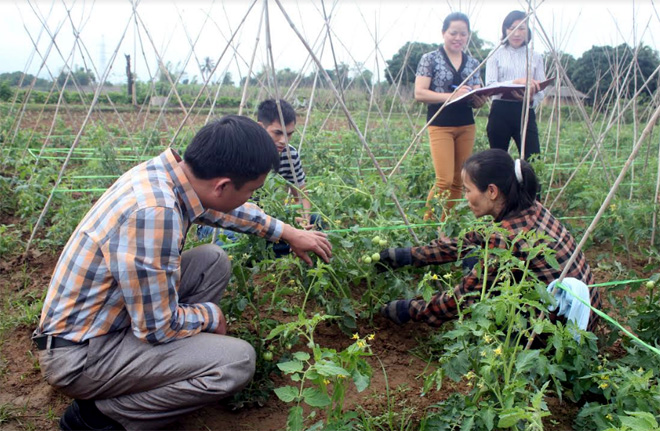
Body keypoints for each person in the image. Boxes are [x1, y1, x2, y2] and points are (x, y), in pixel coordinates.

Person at [32, 115, 332, 431]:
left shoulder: (165, 173)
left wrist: (286, 232)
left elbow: (223, 208)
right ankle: (100, 417)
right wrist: (210, 316)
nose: (250, 198)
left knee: (212, 261)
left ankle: (179, 364)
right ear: (223, 185)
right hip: (80, 357)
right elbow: (157, 327)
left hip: (106, 323)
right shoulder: (155, 214)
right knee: (236, 362)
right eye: (252, 190)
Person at [378, 149, 601, 332]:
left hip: (559, 332)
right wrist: (409, 256)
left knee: (483, 290)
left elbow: (464, 298)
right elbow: (473, 240)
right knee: (475, 255)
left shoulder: (505, 238)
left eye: (468, 190)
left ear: (492, 191)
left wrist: (410, 308)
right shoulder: (533, 209)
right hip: (587, 317)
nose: (465, 198)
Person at [197, 99, 317, 250]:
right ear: (260, 127)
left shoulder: (289, 154)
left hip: (263, 218)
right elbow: (215, 206)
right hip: (222, 216)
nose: (283, 141)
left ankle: (277, 249)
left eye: (289, 134)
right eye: (278, 133)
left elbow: (301, 195)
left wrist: (304, 219)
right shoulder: (237, 151)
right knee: (229, 242)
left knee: (315, 222)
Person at [414, 12, 487, 220]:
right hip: (440, 124)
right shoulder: (430, 59)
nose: (458, 38)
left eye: (463, 34)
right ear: (444, 33)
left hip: (466, 124)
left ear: (468, 36)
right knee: (444, 180)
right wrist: (450, 96)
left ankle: (447, 225)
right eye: (453, 33)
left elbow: (477, 93)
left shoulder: (473, 63)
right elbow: (420, 93)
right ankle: (427, 224)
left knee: (459, 180)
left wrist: (480, 100)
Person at [486, 10, 546, 160]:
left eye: (521, 28)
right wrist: (515, 82)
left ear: (528, 31)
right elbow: (490, 86)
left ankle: (528, 184)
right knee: (498, 160)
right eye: (512, 28)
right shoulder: (495, 54)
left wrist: (531, 99)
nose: (517, 33)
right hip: (500, 111)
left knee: (533, 159)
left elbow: (541, 90)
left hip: (525, 111)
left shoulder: (536, 56)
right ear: (505, 29)